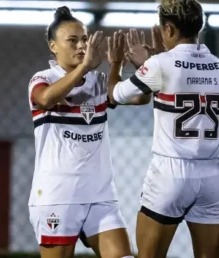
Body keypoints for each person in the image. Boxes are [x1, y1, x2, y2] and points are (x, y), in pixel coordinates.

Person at [107, 0, 219, 257]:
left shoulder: (160, 64)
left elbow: (115, 95)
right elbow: (180, 76)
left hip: (170, 175)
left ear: (170, 30)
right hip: (212, 176)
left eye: (163, 28)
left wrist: (118, 63)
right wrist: (153, 61)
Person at [27, 6, 149, 258]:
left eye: (84, 40)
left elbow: (140, 99)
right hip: (58, 196)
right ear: (53, 46)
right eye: (72, 41)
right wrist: (82, 68)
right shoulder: (43, 78)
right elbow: (45, 100)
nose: (81, 46)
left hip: (100, 195)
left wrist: (134, 68)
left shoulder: (99, 81)